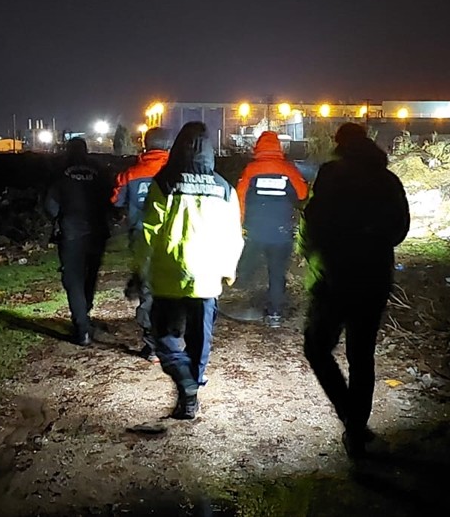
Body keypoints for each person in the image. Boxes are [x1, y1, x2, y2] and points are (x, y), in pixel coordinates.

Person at [297, 122, 410, 457]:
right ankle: (357, 428)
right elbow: (400, 229)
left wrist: (313, 253)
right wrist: (371, 240)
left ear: (340, 143)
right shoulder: (388, 180)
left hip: (334, 277)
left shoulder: (332, 174)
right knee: (362, 357)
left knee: (317, 348)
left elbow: (313, 220)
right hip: (374, 277)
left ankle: (350, 416)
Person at [135, 122, 242, 419]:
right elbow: (234, 234)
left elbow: (148, 232)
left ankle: (186, 386)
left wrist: (140, 268)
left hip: (169, 277)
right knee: (200, 342)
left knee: (165, 340)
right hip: (207, 280)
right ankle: (192, 391)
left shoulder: (164, 183)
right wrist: (228, 270)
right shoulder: (224, 188)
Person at [44, 136, 115, 346]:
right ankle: (86, 312)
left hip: (71, 232)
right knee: (90, 275)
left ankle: (81, 327)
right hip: (97, 231)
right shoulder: (98, 170)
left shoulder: (60, 172)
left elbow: (50, 204)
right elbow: (110, 197)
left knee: (73, 279)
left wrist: (58, 219)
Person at [234, 130, 308, 328]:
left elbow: (240, 198)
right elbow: (302, 194)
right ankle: (274, 313)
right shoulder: (288, 169)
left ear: (257, 147)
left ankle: (241, 305)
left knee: (249, 265)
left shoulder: (251, 169)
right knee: (277, 272)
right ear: (278, 147)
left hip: (255, 230)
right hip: (281, 231)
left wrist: (239, 223)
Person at [111, 127, 172, 361]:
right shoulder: (177, 172)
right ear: (167, 146)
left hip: (141, 240)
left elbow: (116, 201)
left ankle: (153, 345)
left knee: (148, 291)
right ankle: (173, 338)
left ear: (145, 145)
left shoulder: (131, 173)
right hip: (172, 239)